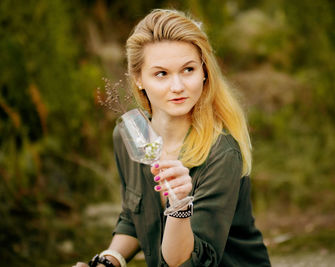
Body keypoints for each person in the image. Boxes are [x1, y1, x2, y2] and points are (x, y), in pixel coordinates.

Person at [74, 9, 271, 267]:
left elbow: (188, 262)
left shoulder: (221, 152)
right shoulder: (128, 134)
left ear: (204, 72)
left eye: (187, 69)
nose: (177, 86)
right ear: (138, 79)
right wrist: (109, 260)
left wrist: (180, 205)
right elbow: (133, 217)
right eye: (161, 74)